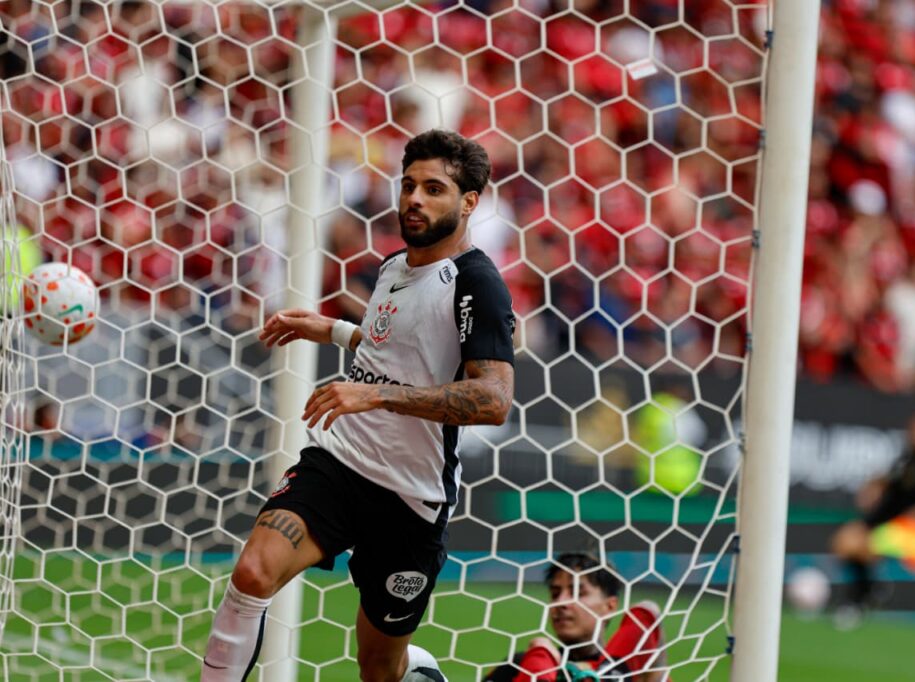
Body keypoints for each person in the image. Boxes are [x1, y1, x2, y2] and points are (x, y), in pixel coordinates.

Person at [201, 129, 516, 682]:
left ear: (469, 202)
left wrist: (374, 395)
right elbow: (396, 346)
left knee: (379, 669)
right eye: (409, 184)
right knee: (253, 572)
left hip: (410, 498)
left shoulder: (477, 285)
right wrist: (332, 330)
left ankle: (417, 673)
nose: (415, 199)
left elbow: (492, 400)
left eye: (434, 189)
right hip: (340, 464)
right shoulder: (395, 266)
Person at [830, 411, 915, 620]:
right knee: (842, 543)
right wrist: (870, 489)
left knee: (860, 547)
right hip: (880, 519)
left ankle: (858, 599)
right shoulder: (903, 459)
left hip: (901, 526)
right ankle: (871, 589)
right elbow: (884, 480)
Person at [485, 553, 665, 682]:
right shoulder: (520, 664)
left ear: (610, 606)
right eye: (555, 594)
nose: (561, 602)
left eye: (578, 592)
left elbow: (648, 611)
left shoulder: (627, 669)